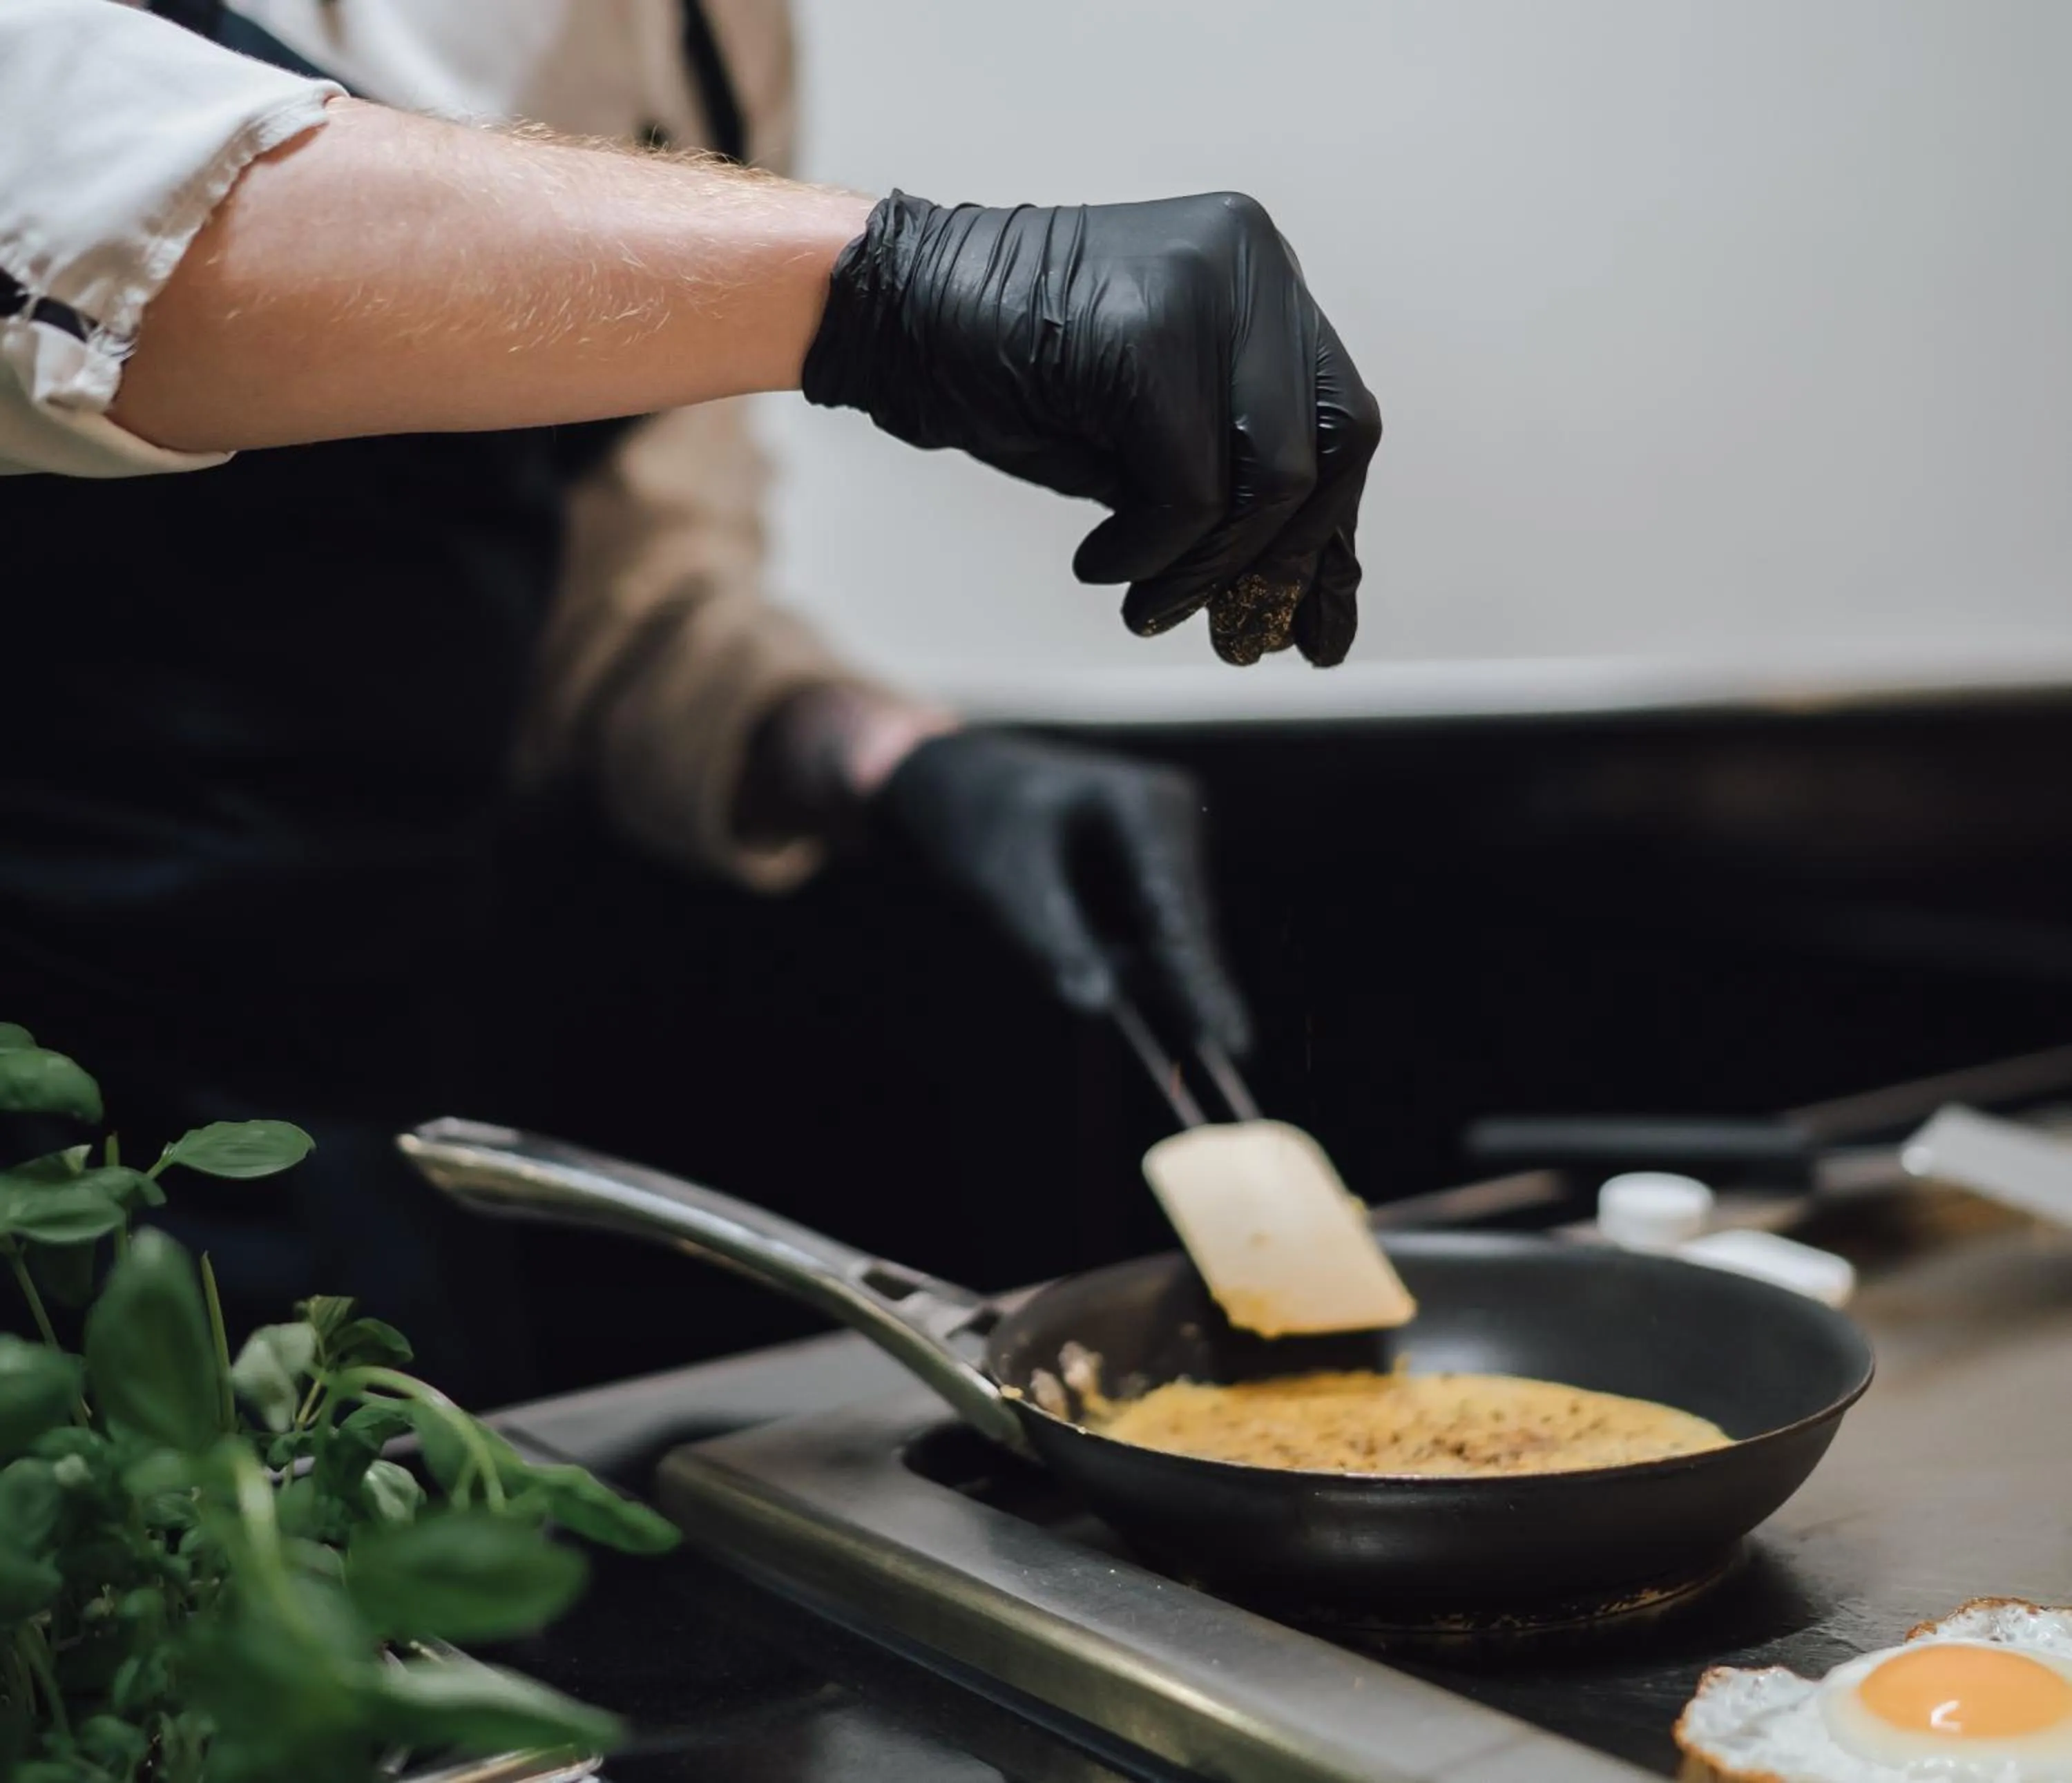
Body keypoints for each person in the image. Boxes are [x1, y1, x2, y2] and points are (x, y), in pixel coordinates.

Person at [0, 0, 1379, 1400]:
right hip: (41, 1085)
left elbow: (616, 588)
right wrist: (877, 285)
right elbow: (56, 196)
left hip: (383, 1093)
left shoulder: (710, 42)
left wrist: (881, 757)